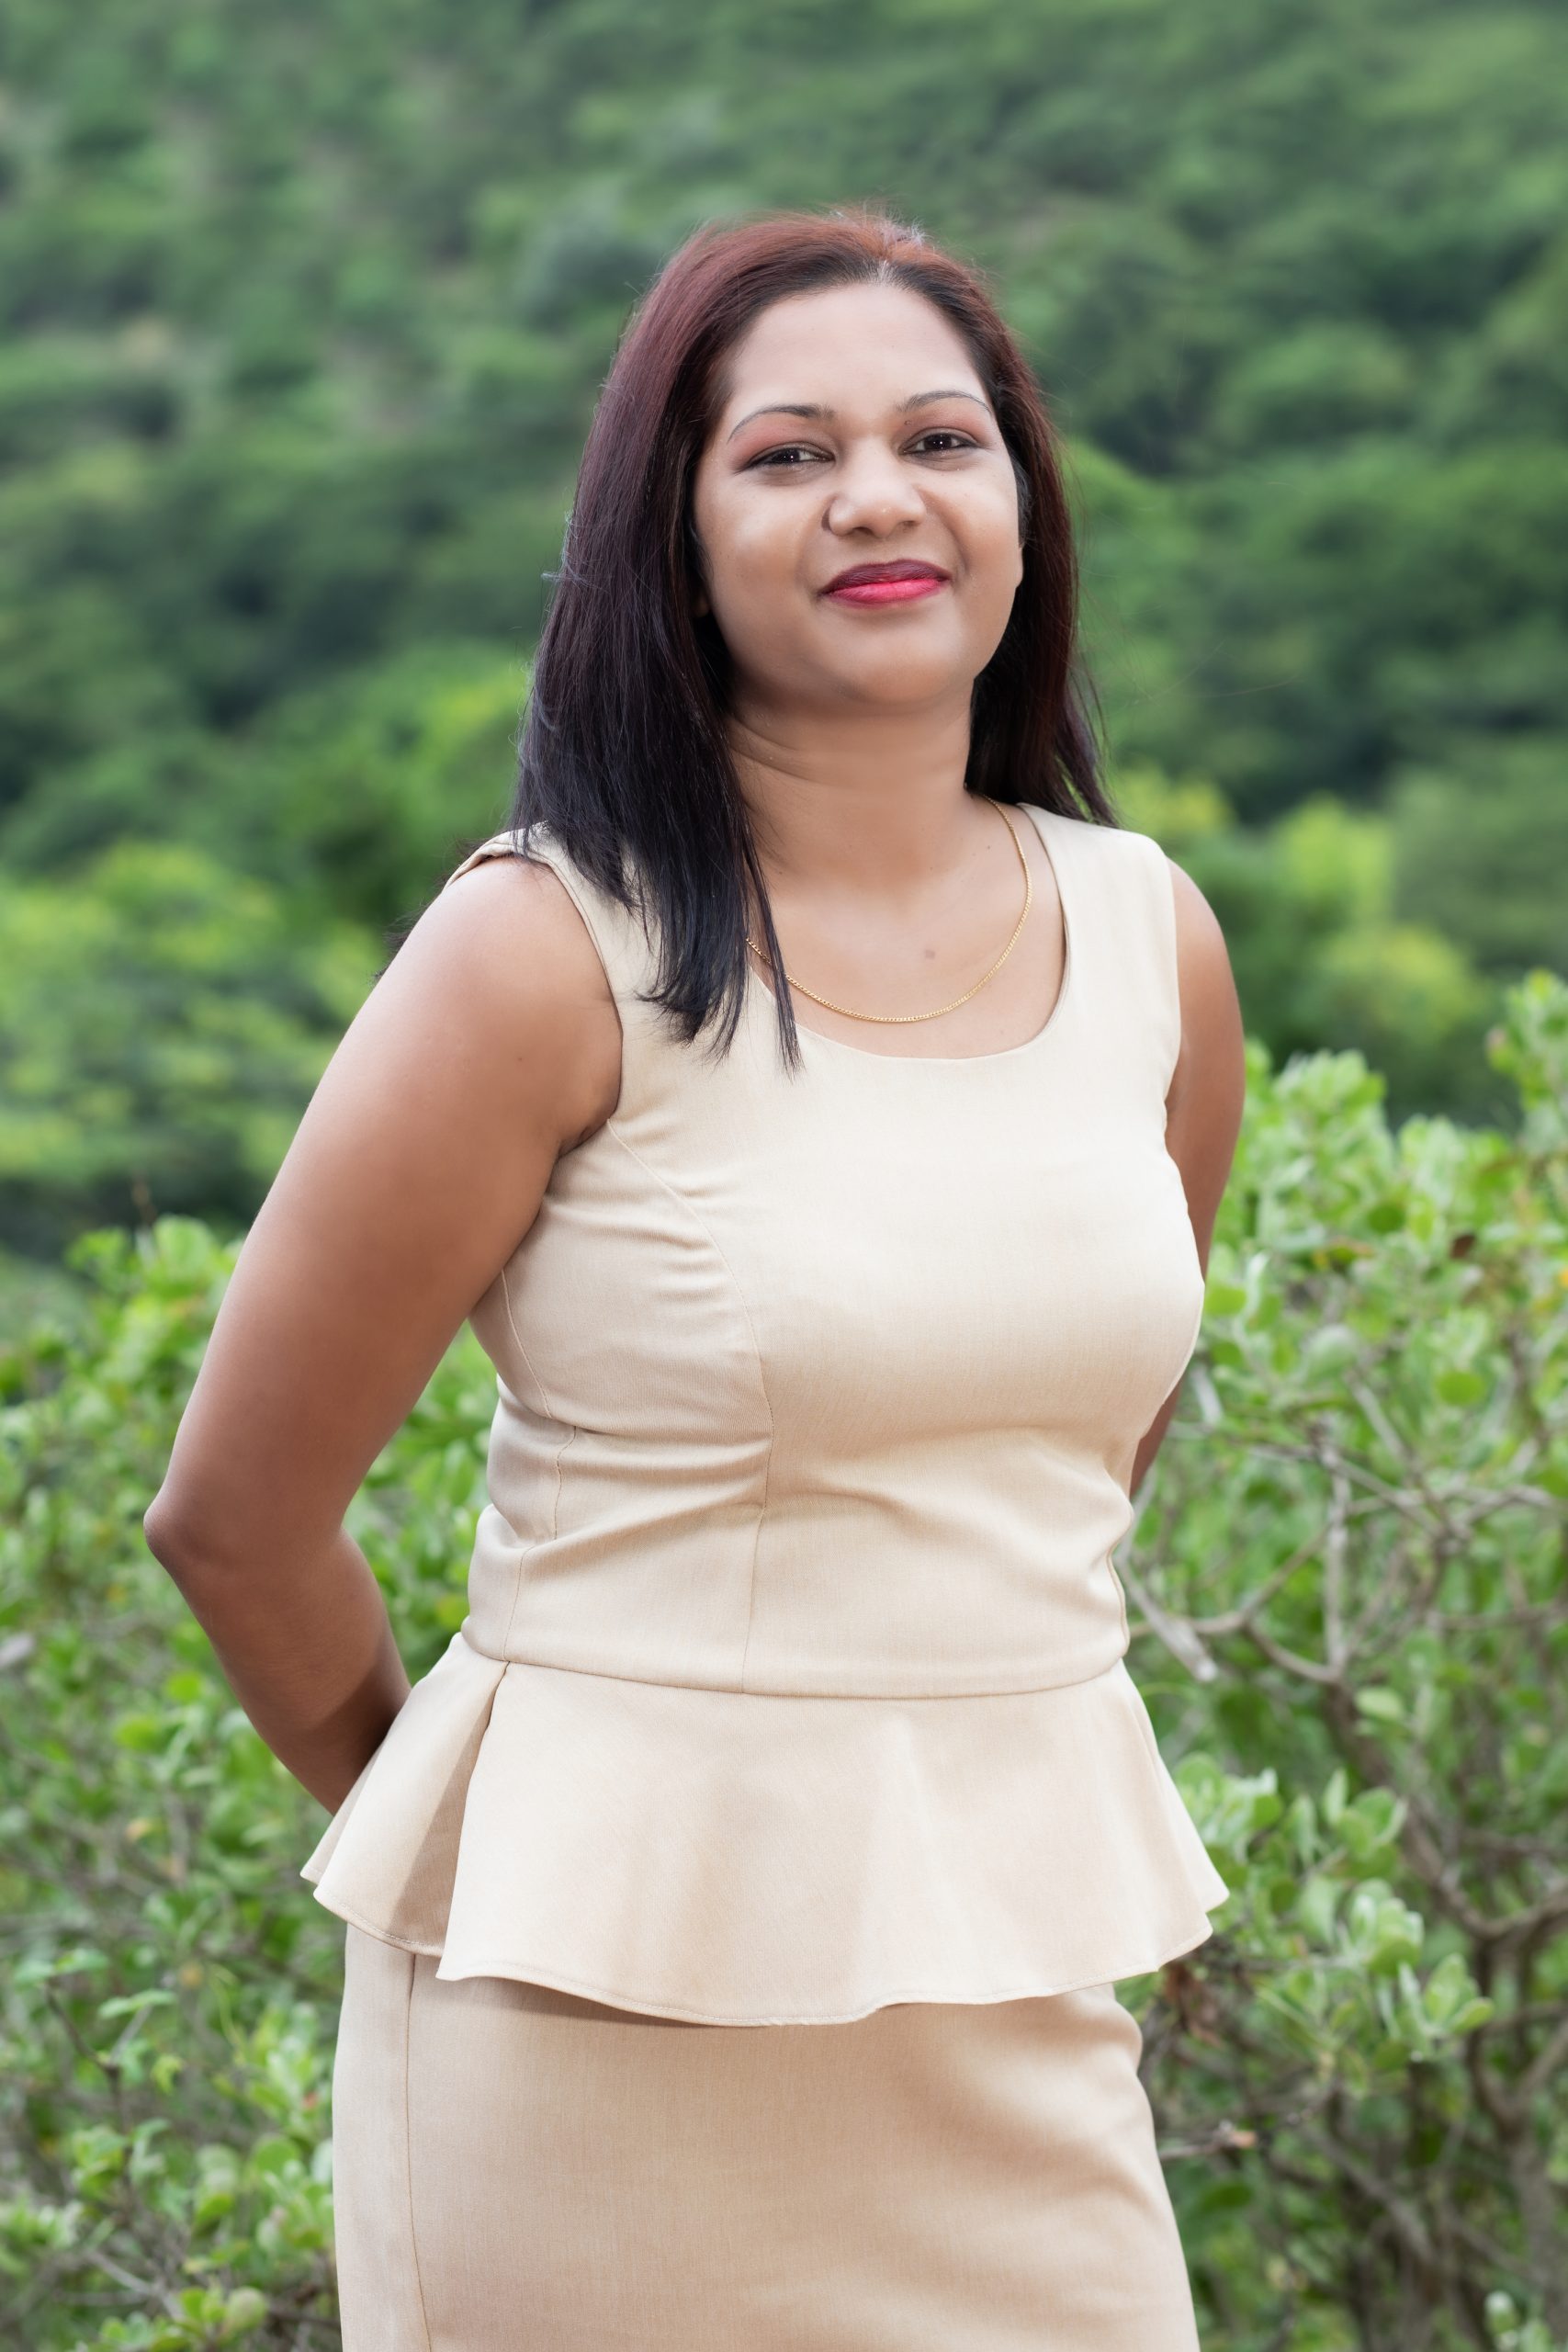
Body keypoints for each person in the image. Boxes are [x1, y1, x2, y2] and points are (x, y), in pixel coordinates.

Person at [144, 203, 1247, 2350]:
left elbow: (1072, 1456)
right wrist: (505, 1843)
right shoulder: (542, 949)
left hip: (1013, 2007)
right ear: (670, 535)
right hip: (593, 2042)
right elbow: (236, 1517)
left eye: (939, 438)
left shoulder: (1150, 937)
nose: (877, 497)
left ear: (1021, 505)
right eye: (786, 453)